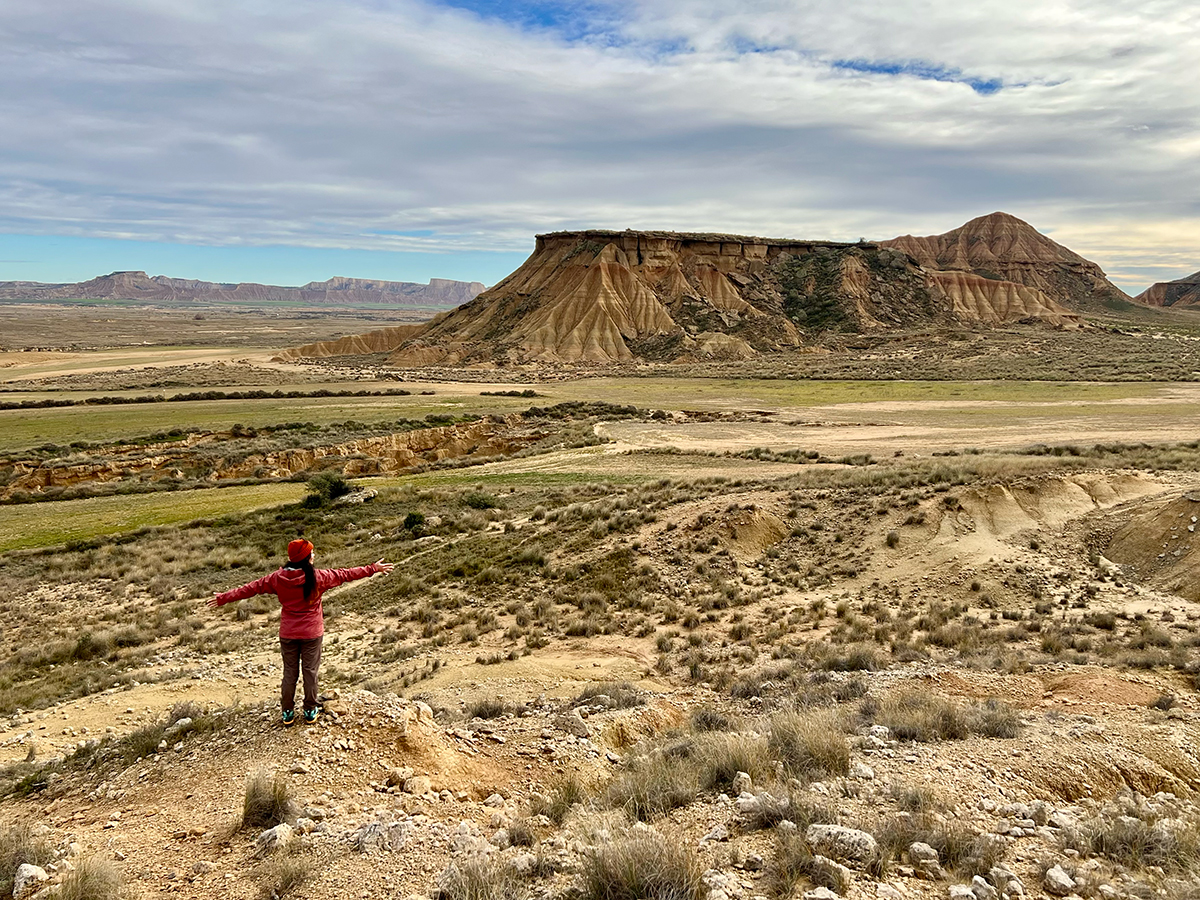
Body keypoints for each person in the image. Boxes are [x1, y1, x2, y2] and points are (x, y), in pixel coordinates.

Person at [207, 538, 393, 726]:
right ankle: (310, 710)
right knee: (310, 672)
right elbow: (345, 574)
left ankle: (287, 712)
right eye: (312, 552)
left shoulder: (277, 578)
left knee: (290, 673)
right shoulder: (319, 577)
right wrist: (372, 568)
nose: (314, 555)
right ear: (306, 558)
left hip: (288, 634)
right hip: (312, 633)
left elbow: (251, 588)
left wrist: (223, 598)